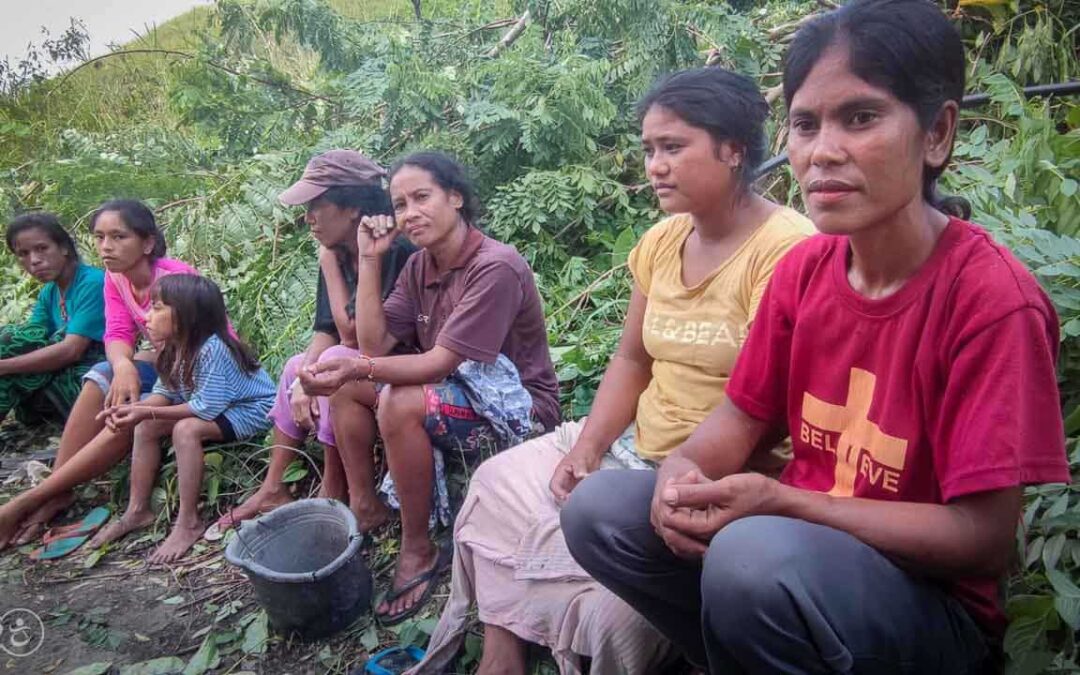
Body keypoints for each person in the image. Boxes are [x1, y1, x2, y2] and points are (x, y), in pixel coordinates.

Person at [562, 1, 1070, 672]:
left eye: (860, 118)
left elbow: (982, 539)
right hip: (794, 554)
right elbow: (741, 415)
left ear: (938, 134)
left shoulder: (991, 300)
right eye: (805, 123)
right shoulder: (806, 271)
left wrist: (779, 500)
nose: (822, 151)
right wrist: (683, 472)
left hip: (927, 606)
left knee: (752, 560)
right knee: (599, 509)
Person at [410, 68, 815, 675]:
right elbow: (632, 359)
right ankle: (504, 647)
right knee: (495, 485)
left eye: (674, 147)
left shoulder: (785, 250)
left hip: (709, 476)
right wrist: (591, 448)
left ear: (734, 149)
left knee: (608, 615)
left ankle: (555, 598)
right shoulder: (660, 241)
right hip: (637, 448)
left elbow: (766, 406)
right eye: (650, 149)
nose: (655, 165)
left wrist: (666, 473)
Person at [300, 151, 561, 626]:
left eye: (422, 197)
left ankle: (418, 549)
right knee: (346, 383)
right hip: (453, 392)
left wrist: (360, 368)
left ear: (455, 198)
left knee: (392, 396)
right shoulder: (420, 266)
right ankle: (367, 507)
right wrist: (369, 260)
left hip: (518, 411)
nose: (410, 212)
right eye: (400, 204)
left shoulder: (493, 266)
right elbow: (374, 344)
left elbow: (438, 361)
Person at [214, 149, 415, 534]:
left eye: (316, 206)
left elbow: (356, 335)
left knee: (335, 359)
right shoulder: (340, 251)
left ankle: (346, 491)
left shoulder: (393, 250)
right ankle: (274, 487)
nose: (308, 218)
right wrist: (304, 380)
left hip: (396, 366)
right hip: (358, 363)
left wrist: (326, 264)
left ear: (353, 208)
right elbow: (325, 328)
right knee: (296, 367)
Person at [0, 200, 206, 549]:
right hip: (162, 365)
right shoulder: (115, 278)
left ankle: (30, 500)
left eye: (118, 236)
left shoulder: (174, 279)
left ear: (148, 244)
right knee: (104, 374)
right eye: (99, 237)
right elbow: (117, 333)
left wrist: (139, 365)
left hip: (195, 373)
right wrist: (124, 365)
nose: (106, 246)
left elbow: (202, 345)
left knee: (126, 412)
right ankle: (55, 493)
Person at [86, 275, 275, 563]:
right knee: (146, 424)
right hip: (222, 408)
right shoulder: (173, 347)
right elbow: (165, 392)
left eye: (157, 308)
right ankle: (137, 510)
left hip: (253, 410)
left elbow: (205, 408)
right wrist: (132, 411)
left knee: (186, 430)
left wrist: (146, 410)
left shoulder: (212, 348)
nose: (147, 317)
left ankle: (188, 521)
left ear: (187, 315)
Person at [1, 213, 105, 423]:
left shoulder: (93, 283)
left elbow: (71, 350)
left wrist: (4, 366)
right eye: (23, 253)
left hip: (93, 378)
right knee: (10, 337)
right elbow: (30, 339)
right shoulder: (50, 292)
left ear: (64, 248)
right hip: (60, 374)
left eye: (42, 248)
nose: (34, 260)